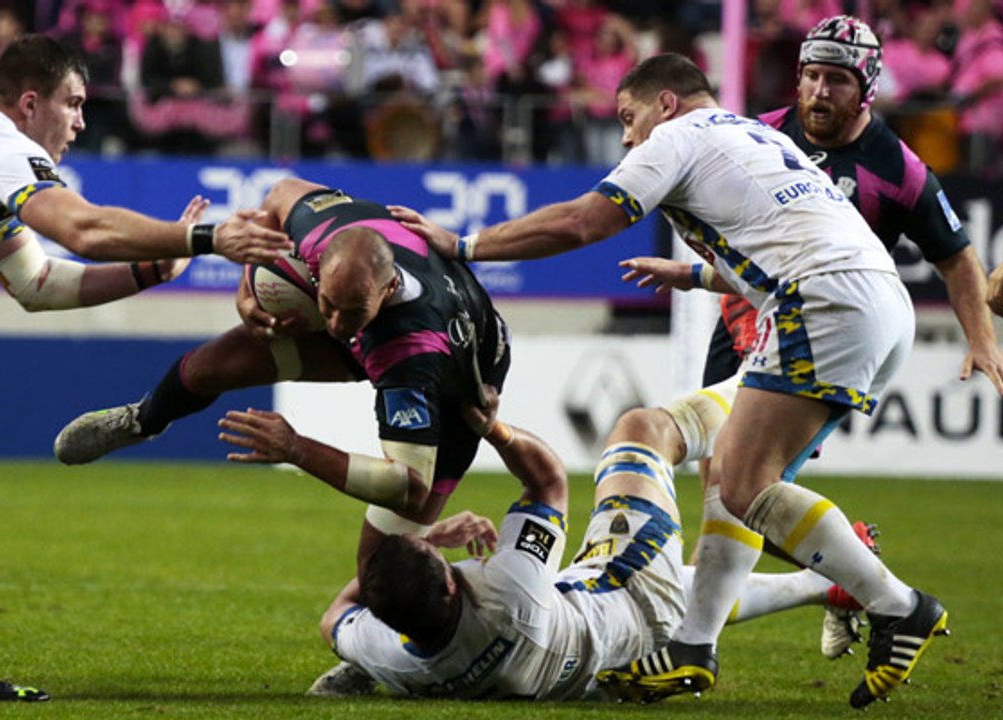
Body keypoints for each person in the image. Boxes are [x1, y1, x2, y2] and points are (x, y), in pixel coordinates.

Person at [391, 52, 948, 708]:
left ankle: (897, 604)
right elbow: (786, 238)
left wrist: (465, 244)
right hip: (877, 302)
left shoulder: (678, 136)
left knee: (744, 484)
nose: (627, 138)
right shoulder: (755, 134)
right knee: (733, 471)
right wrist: (694, 275)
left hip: (820, 302)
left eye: (628, 117)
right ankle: (693, 644)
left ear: (666, 103)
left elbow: (584, 220)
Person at [0, 34, 287, 702]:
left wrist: (149, 270)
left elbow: (38, 284)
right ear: (30, 103)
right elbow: (84, 230)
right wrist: (207, 238)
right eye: (73, 103)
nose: (81, 122)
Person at [693, 13, 1002, 667]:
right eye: (810, 75)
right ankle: (841, 574)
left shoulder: (897, 167)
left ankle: (700, 644)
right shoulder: (759, 133)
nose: (818, 91)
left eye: (836, 80)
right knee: (725, 494)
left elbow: (956, 256)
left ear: (867, 89)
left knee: (743, 486)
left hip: (819, 337)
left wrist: (982, 339)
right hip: (739, 323)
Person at [54, 176, 511, 578]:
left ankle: (400, 605)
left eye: (349, 311)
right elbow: (277, 195)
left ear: (389, 287)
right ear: (318, 263)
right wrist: (245, 295)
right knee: (209, 366)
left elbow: (407, 486)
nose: (333, 323)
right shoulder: (320, 228)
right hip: (384, 326)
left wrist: (296, 449)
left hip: (456, 390)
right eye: (326, 303)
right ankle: (143, 420)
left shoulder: (411, 353)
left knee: (381, 567)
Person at [294, 385, 866, 700]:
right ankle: (770, 392)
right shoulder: (507, 591)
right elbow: (547, 481)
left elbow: (334, 618)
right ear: (447, 586)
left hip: (611, 666)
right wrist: (494, 430)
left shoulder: (394, 658)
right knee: (643, 431)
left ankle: (825, 586)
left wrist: (423, 551)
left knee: (671, 587)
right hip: (634, 593)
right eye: (440, 559)